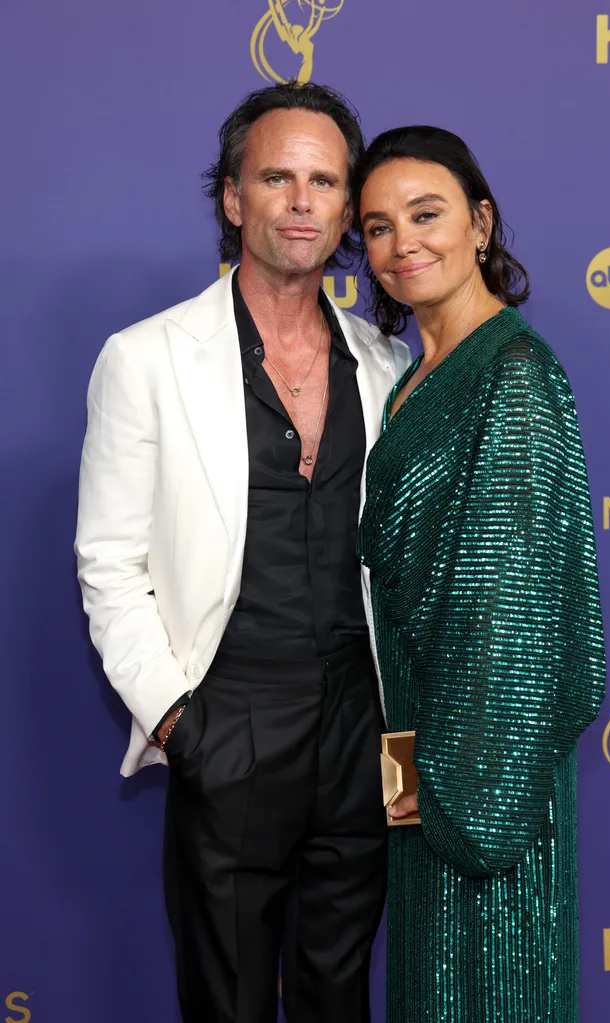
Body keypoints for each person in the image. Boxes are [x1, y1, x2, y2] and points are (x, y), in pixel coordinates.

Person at [75, 83, 410, 1023]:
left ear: (347, 207)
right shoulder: (145, 358)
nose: (302, 201)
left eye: (324, 181)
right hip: (229, 721)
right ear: (232, 198)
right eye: (276, 177)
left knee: (340, 994)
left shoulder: (386, 365)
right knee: (227, 1002)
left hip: (361, 727)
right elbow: (108, 561)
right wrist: (180, 723)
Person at [353, 126, 606, 1023]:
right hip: (423, 762)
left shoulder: (515, 372)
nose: (402, 243)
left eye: (426, 214)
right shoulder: (410, 380)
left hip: (489, 779)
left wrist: (470, 799)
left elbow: (514, 611)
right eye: (377, 227)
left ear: (481, 223)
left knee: (491, 994)